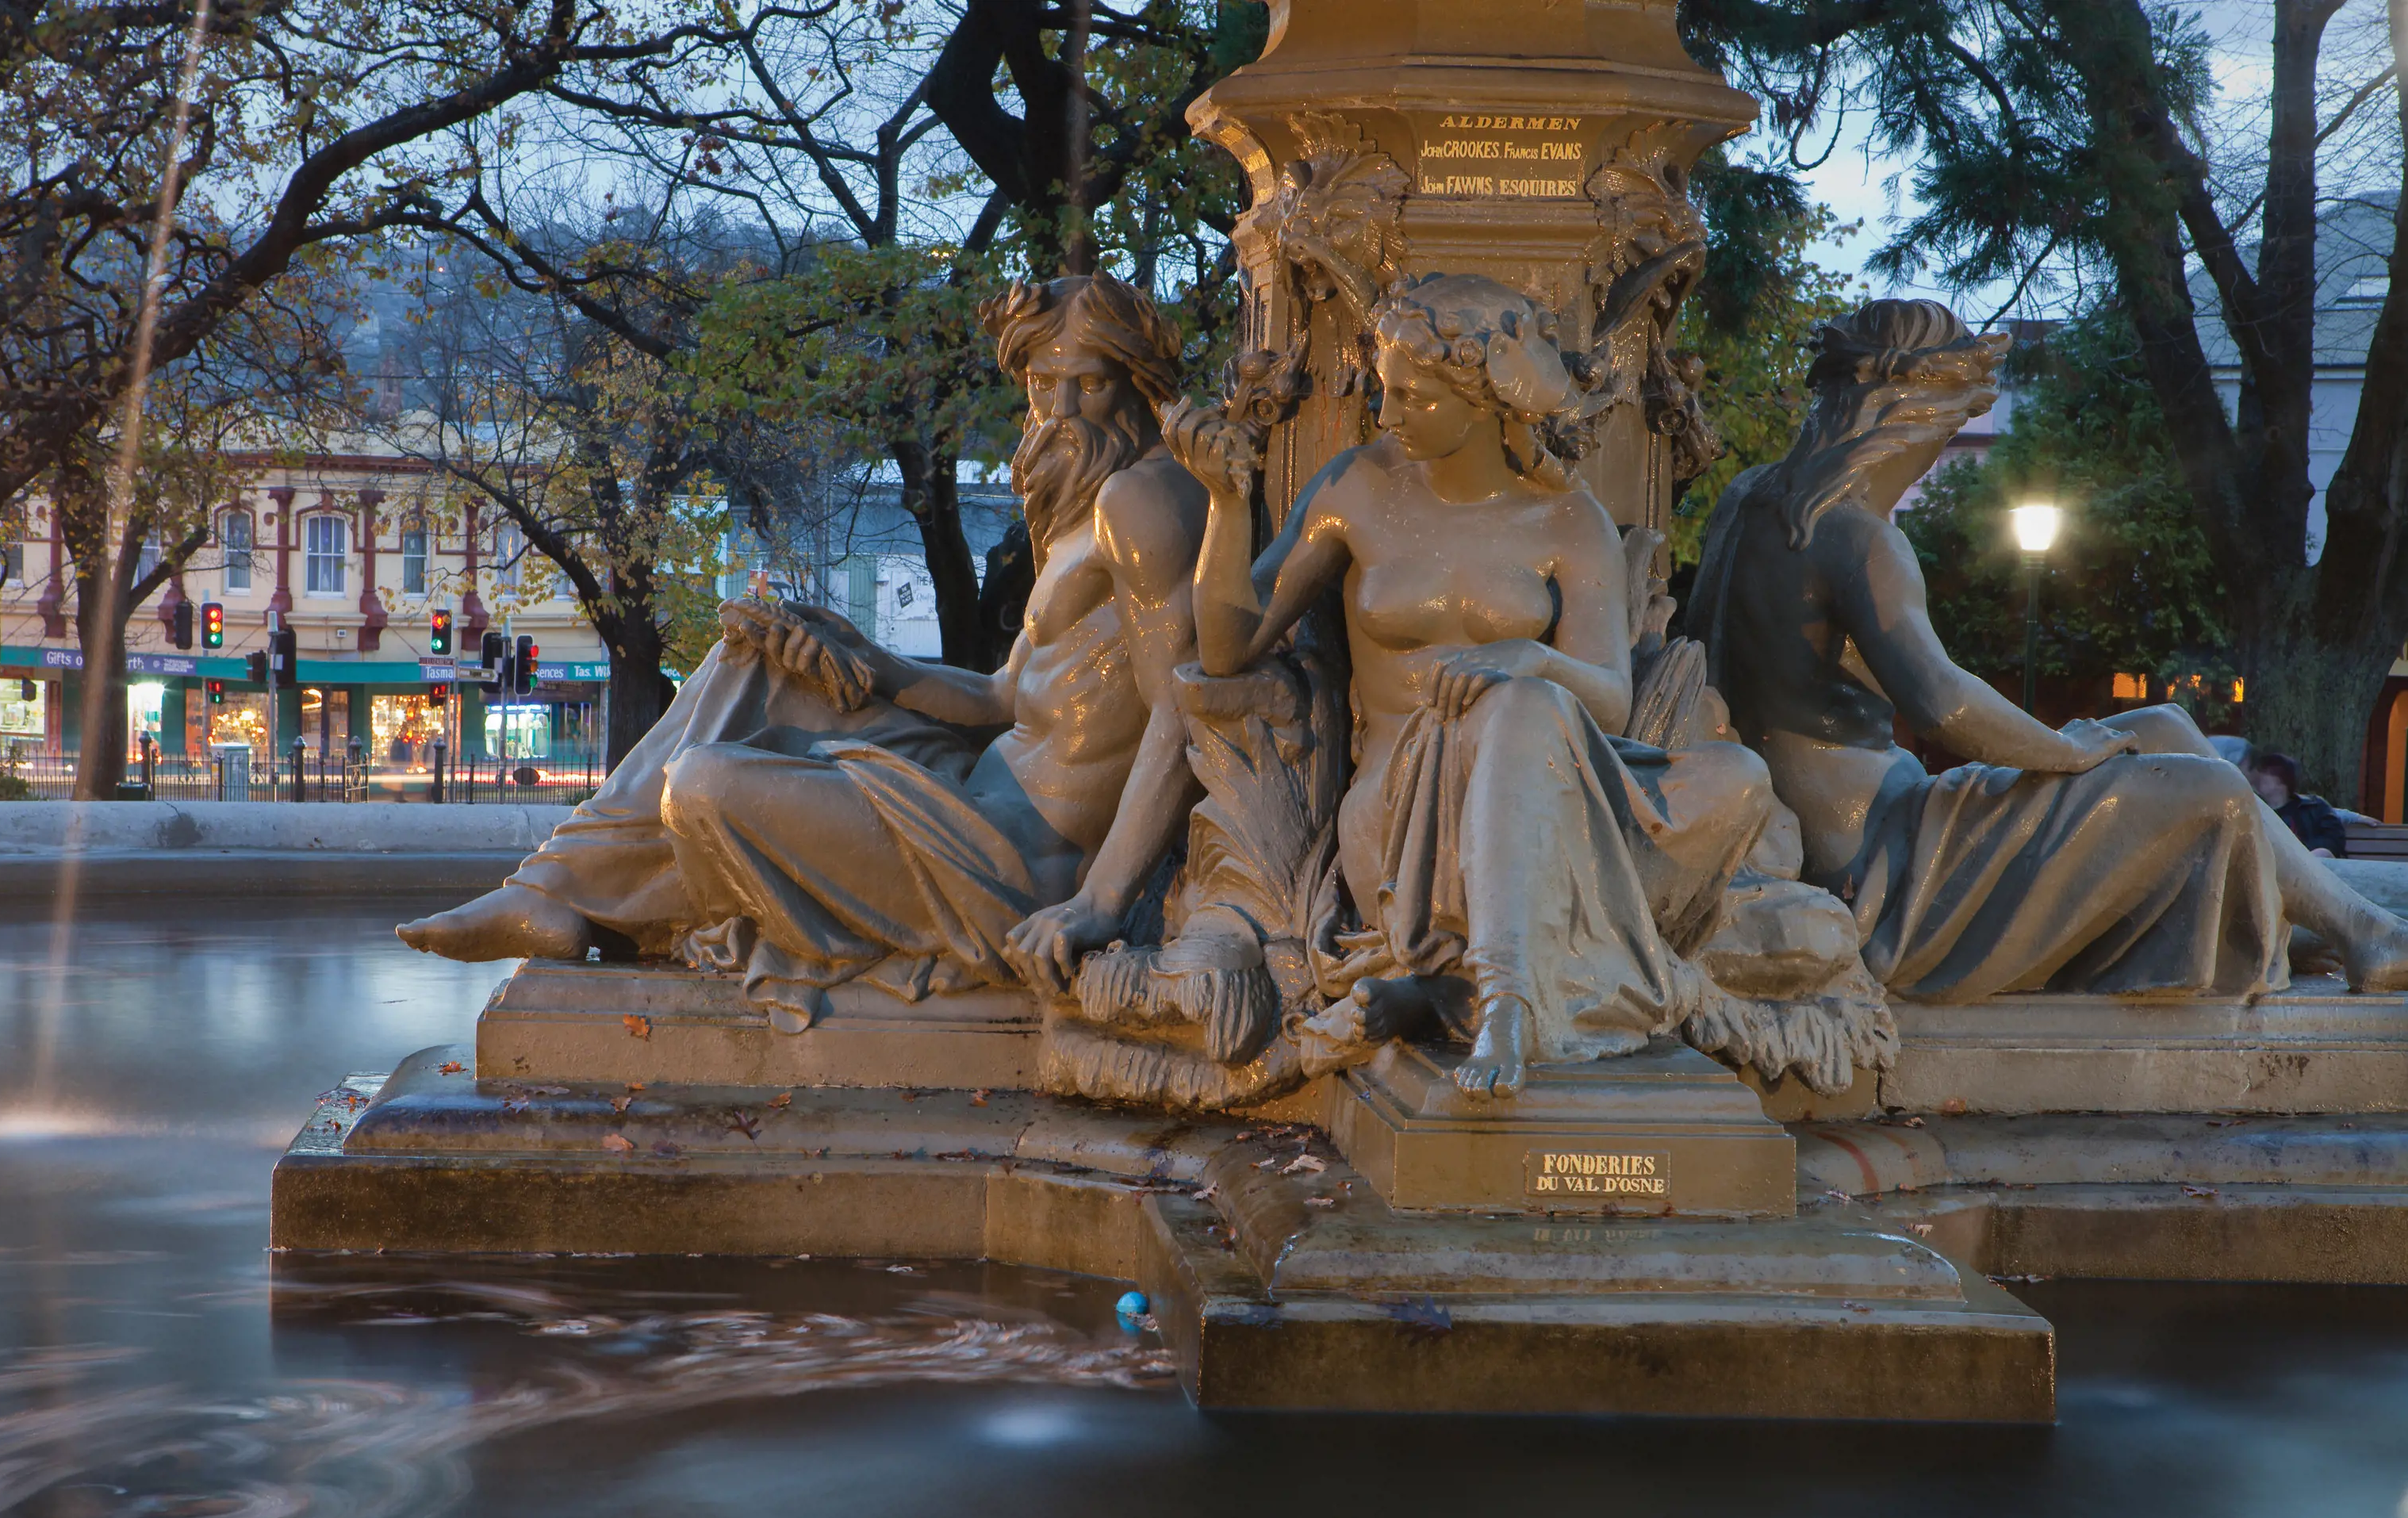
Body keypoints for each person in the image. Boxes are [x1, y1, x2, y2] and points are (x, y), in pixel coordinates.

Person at [395, 274, 1209, 1017]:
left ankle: (562, 891)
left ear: (1138, 384)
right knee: (758, 656)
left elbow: (1184, 710)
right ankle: (549, 887)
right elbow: (1003, 699)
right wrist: (863, 655)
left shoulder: (1145, 502)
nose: (1060, 411)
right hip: (971, 795)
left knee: (706, 783)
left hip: (1012, 867)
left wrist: (1101, 902)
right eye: (1040, 385)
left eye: (1090, 384)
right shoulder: (1086, 503)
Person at [1164, 272, 1827, 1096]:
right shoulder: (1354, 489)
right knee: (1518, 706)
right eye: (1384, 391)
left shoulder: (1566, 521)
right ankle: (1509, 1003)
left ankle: (1453, 993)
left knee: (1736, 777)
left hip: (1545, 799)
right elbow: (1228, 648)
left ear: (1482, 401)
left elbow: (1610, 703)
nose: (1387, 415)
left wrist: (1535, 659)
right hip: (1403, 813)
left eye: (1412, 397)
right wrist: (1226, 508)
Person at [1689, 298, 2408, 999]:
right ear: (1912, 419)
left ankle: (2362, 927)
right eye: (1952, 426)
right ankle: (2355, 929)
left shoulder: (1745, 502)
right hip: (1885, 866)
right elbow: (1940, 702)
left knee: (2165, 726)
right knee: (2214, 786)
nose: (1937, 451)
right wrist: (2067, 752)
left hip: (1857, 830)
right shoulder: (1857, 537)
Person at [2250, 753, 2348, 858]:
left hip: (2311, 864)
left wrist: (2301, 854)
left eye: (2266, 772)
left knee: (2322, 853)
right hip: (2273, 866)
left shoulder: (2314, 806)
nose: (2259, 777)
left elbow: (2334, 840)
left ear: (2282, 781)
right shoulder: (2254, 811)